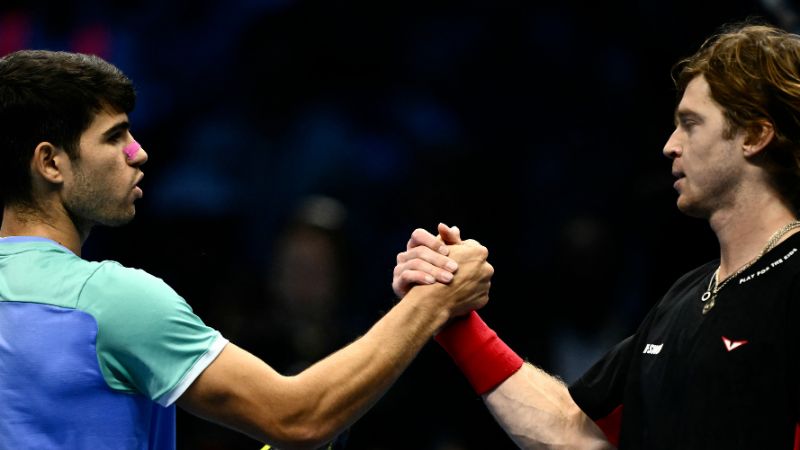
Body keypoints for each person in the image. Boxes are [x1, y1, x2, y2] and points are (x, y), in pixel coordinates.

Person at [0, 49, 494, 450]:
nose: (139, 152)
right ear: (50, 163)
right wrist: (434, 299)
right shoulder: (111, 302)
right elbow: (298, 419)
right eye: (115, 136)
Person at [393, 22, 800, 449]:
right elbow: (577, 433)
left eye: (691, 123)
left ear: (754, 135)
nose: (670, 145)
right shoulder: (686, 296)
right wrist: (452, 316)